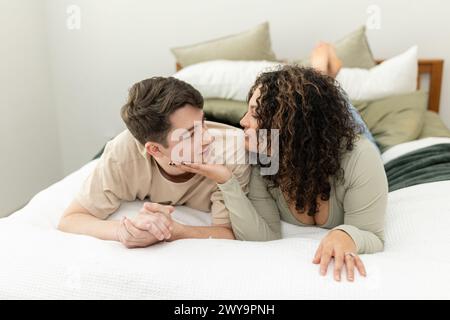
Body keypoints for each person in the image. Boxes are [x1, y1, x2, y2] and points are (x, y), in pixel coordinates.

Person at [177, 62, 388, 282]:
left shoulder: (360, 157)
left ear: (289, 126)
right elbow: (263, 237)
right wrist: (227, 181)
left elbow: (371, 234)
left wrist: (347, 235)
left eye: (255, 114)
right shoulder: (259, 158)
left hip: (335, 141)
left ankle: (323, 63)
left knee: (346, 118)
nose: (242, 122)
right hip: (305, 139)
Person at [58, 77, 250, 248]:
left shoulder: (232, 154)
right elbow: (70, 219)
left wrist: (175, 231)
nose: (207, 138)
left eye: (203, 122)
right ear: (155, 150)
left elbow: (228, 233)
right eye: (191, 134)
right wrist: (123, 231)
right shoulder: (121, 154)